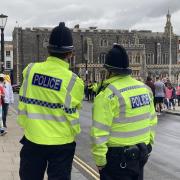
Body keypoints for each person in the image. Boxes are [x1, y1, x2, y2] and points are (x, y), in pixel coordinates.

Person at [17, 22, 84, 180]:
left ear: (48, 49)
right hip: (62, 143)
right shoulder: (74, 82)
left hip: (33, 137)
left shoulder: (30, 70)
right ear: (70, 53)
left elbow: (24, 98)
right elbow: (73, 112)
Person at [91, 44, 157, 180]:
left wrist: (100, 162)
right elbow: (152, 120)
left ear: (108, 70)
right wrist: (149, 145)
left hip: (117, 159)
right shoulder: (144, 89)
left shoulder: (107, 94)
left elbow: (99, 133)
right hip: (141, 153)